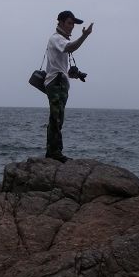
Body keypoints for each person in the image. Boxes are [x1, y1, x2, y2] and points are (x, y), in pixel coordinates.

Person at [44, 10, 94, 163]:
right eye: (69, 23)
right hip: (56, 83)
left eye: (73, 24)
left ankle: (53, 152)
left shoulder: (61, 39)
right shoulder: (56, 38)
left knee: (58, 118)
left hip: (60, 82)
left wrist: (74, 74)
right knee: (56, 118)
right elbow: (70, 47)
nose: (72, 26)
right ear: (60, 22)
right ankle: (54, 153)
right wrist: (85, 35)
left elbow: (59, 65)